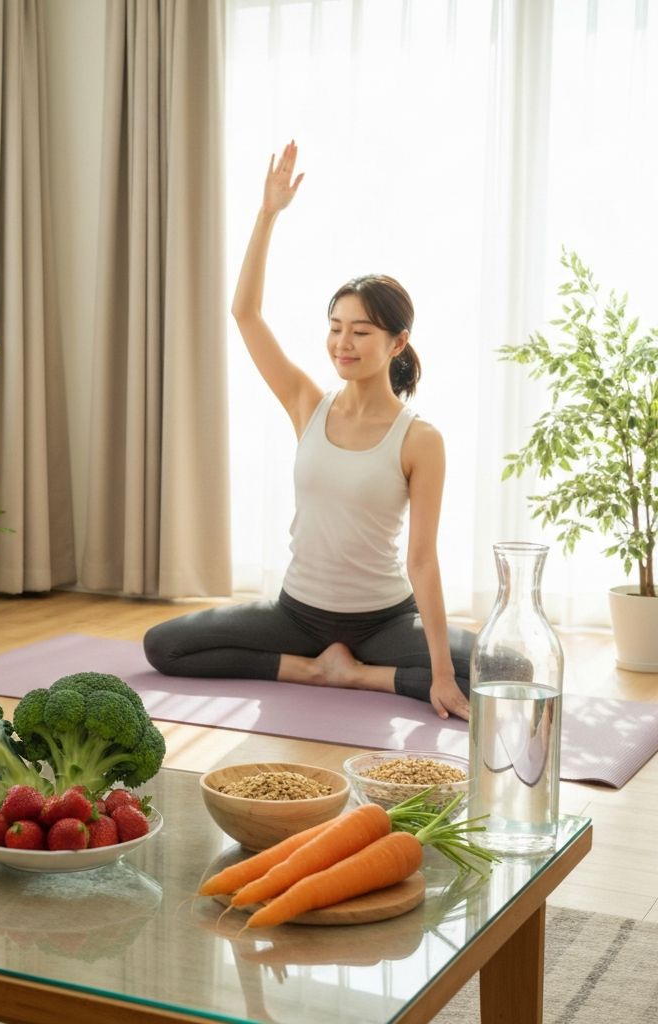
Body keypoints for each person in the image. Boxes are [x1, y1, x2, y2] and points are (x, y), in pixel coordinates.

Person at [143, 140, 474, 721]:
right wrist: (268, 213)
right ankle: (315, 669)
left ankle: (360, 674)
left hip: (384, 620)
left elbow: (422, 559)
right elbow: (245, 313)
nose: (342, 344)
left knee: (504, 668)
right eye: (335, 328)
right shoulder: (307, 403)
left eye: (361, 332)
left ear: (397, 343)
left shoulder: (421, 439)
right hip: (297, 614)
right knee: (163, 645)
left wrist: (442, 675)